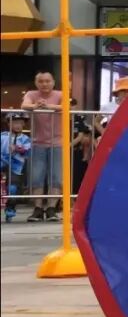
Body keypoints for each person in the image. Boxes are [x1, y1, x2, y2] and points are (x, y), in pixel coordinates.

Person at [20, 72, 63, 222]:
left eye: (47, 81)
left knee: (56, 177)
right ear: (36, 83)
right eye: (41, 81)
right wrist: (36, 105)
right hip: (37, 142)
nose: (44, 84)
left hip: (58, 142)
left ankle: (51, 209)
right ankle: (37, 209)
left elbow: (66, 106)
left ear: (53, 82)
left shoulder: (60, 94)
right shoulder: (31, 94)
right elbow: (24, 105)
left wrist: (47, 106)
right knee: (36, 177)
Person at [1, 113, 32, 220]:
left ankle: (10, 207)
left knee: (13, 188)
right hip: (2, 161)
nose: (17, 125)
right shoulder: (3, 136)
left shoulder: (25, 139)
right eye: (14, 123)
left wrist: (17, 148)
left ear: (23, 124)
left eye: (20, 123)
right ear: (9, 124)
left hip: (15, 167)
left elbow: (27, 151)